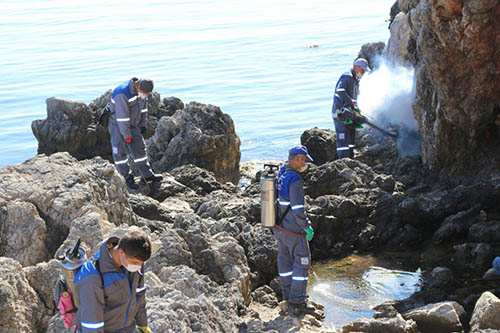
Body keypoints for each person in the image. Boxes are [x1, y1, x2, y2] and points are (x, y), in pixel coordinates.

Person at [74, 230, 152, 333]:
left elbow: (139, 296)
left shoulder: (134, 261)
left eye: (141, 263)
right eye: (135, 262)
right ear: (121, 253)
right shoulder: (92, 276)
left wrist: (143, 325)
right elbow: (92, 324)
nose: (138, 266)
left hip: (128, 329)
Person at [273, 145, 316, 315]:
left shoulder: (280, 174)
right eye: (304, 160)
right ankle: (297, 301)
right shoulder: (295, 180)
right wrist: (307, 227)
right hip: (293, 230)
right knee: (302, 263)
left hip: (279, 228)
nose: (305, 164)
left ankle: (287, 295)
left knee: (285, 261)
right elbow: (298, 209)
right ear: (297, 158)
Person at [108, 77, 163, 190]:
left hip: (133, 124)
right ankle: (126, 178)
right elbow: (122, 118)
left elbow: (143, 110)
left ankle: (147, 175)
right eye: (144, 93)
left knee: (140, 148)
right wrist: (127, 135)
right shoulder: (122, 94)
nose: (145, 95)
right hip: (118, 125)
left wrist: (143, 124)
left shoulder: (143, 92)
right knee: (120, 153)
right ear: (137, 86)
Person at [331, 58, 370, 159]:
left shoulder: (356, 80)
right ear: (356, 67)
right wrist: (350, 102)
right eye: (363, 70)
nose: (364, 72)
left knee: (351, 139)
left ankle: (351, 158)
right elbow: (340, 91)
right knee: (343, 139)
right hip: (340, 113)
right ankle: (343, 160)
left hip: (350, 115)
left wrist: (357, 110)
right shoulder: (347, 77)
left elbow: (355, 99)